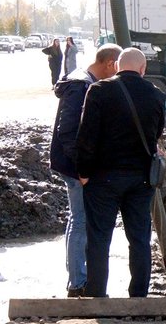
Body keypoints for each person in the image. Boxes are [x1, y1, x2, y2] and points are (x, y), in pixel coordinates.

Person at [75, 47, 166, 297]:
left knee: (99, 240)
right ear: (143, 69)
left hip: (102, 179)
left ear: (116, 66)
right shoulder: (156, 95)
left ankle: (97, 294)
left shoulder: (99, 91)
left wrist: (83, 173)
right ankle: (138, 296)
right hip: (141, 180)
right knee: (139, 240)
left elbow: (86, 137)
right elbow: (156, 134)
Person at [49, 44, 122, 297]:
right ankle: (78, 283)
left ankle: (79, 280)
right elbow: (67, 131)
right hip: (75, 167)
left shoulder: (82, 81)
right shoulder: (81, 86)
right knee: (80, 221)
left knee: (79, 220)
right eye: (118, 69)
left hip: (76, 165)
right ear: (111, 63)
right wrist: (81, 168)